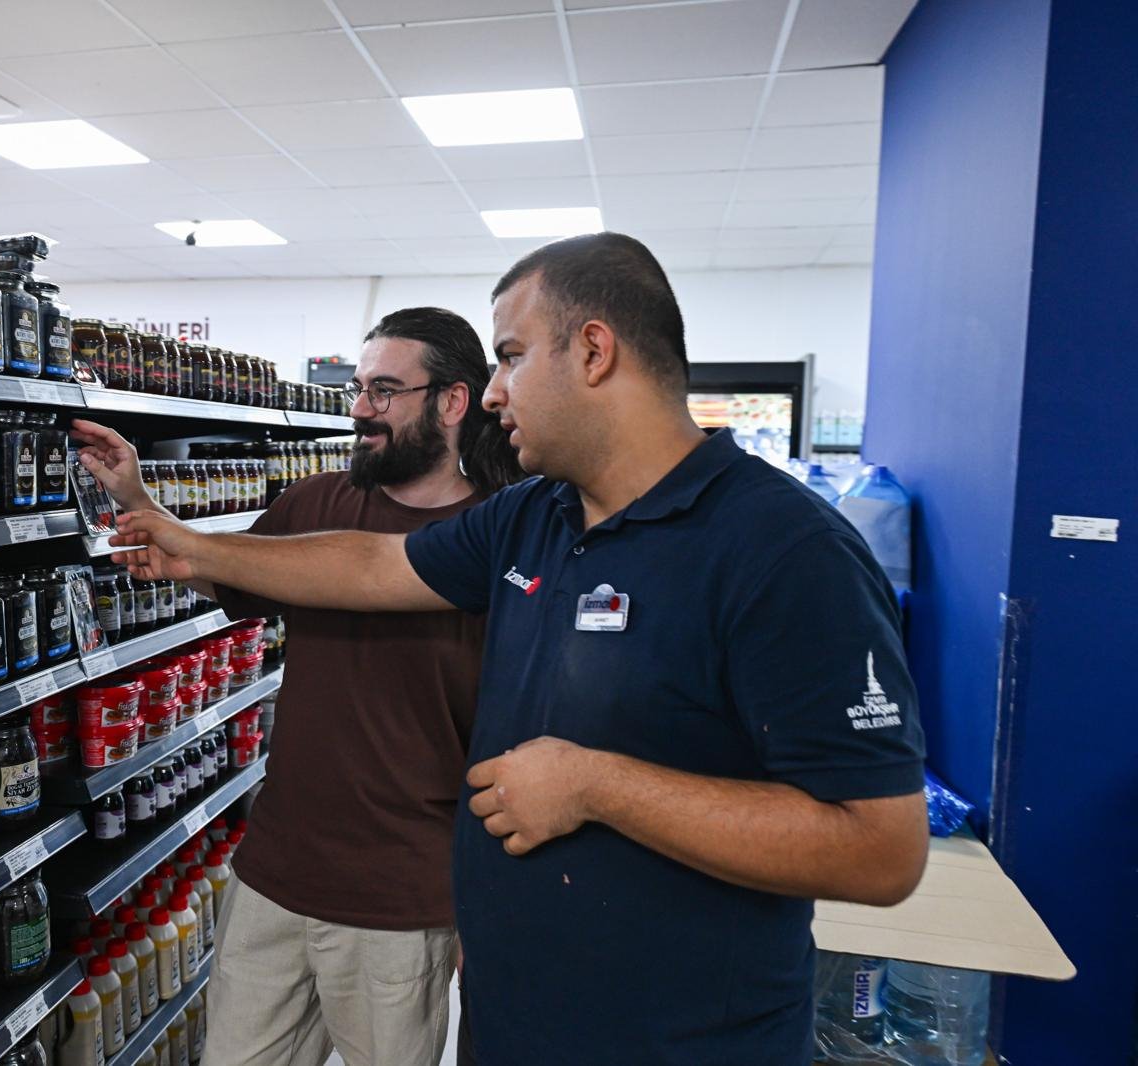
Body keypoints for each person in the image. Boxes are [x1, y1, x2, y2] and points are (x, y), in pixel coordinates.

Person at [104, 233, 931, 1064]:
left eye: (511, 356)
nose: (495, 392)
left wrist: (596, 785)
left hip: (677, 1041)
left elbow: (881, 849)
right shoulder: (533, 516)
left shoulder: (786, 551)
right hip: (511, 1023)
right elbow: (374, 563)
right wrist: (193, 548)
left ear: (594, 352)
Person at [72, 307, 523, 1066]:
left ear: (452, 402)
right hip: (275, 876)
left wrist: (484, 905)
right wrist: (140, 503)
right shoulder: (316, 502)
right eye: (358, 388)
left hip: (399, 898)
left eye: (385, 391)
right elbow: (222, 572)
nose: (360, 409)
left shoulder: (495, 536)